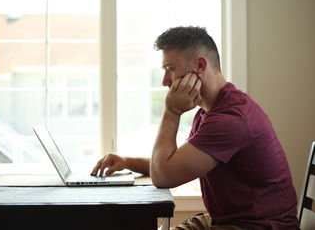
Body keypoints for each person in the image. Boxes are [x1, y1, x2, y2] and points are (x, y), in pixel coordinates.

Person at [91, 26, 299, 230]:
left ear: (199, 65)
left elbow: (164, 176)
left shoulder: (230, 119)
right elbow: (174, 163)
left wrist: (171, 112)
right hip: (225, 222)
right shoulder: (210, 112)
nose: (165, 82)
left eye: (170, 69)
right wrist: (128, 162)